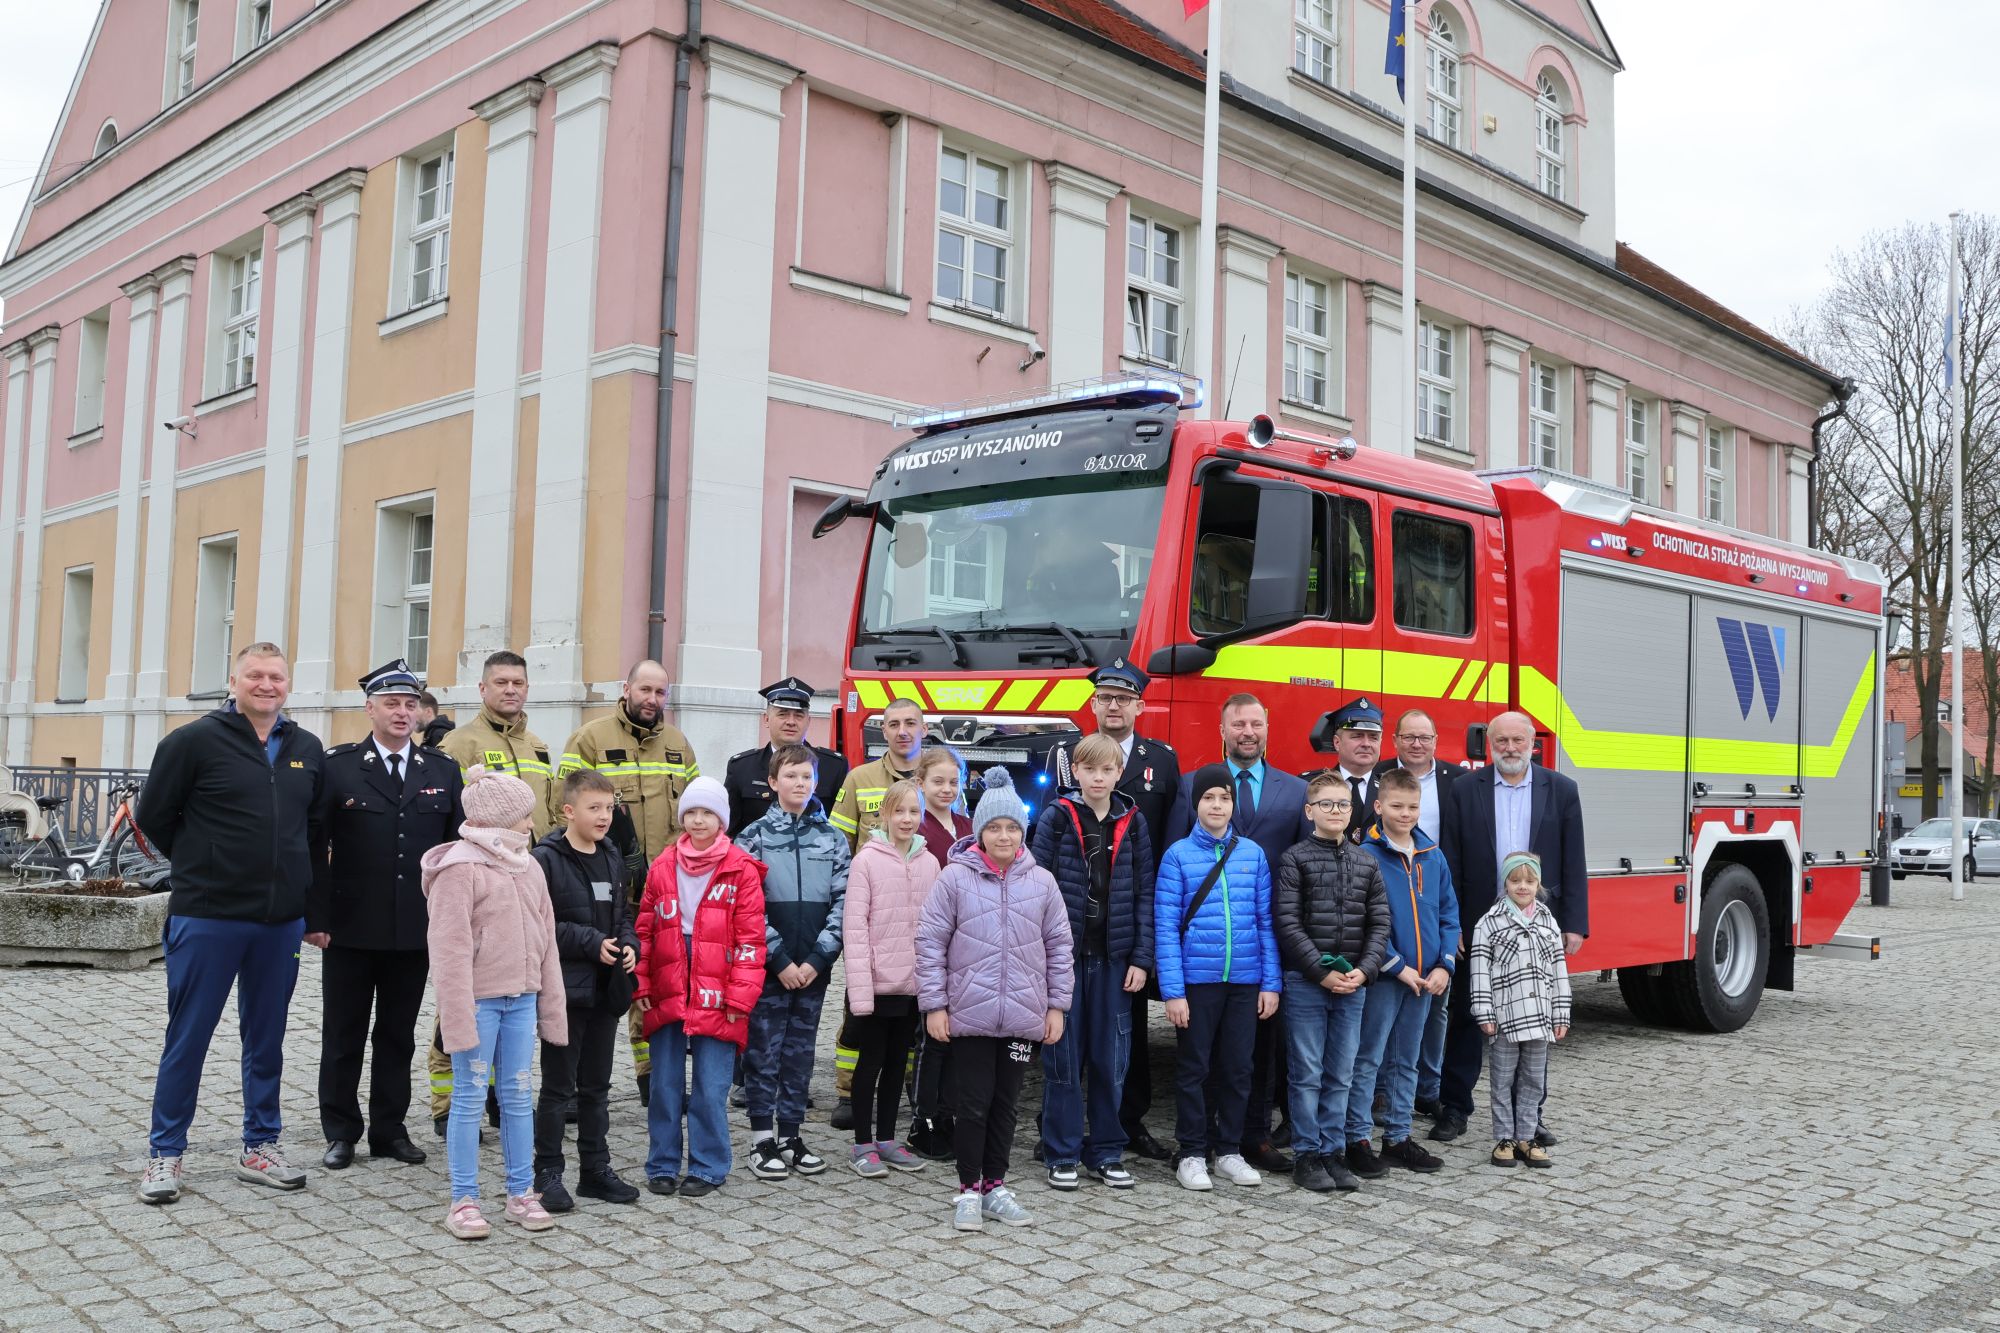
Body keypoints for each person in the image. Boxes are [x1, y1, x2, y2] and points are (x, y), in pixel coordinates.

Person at [135, 643, 327, 1205]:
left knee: (265, 1039)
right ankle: (164, 1153)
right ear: (234, 680)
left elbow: (313, 834)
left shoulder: (305, 748)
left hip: (279, 922)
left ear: (288, 684)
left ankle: (259, 1146)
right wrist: (206, 865)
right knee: (188, 1036)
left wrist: (304, 902)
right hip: (208, 915)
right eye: (256, 675)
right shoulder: (192, 742)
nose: (267, 685)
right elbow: (154, 818)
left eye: (276, 676)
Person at [308, 659, 465, 1172]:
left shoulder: (441, 771)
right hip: (351, 927)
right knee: (343, 1032)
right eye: (392, 703)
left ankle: (389, 1129)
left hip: (414, 929)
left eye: (410, 704)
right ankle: (340, 1131)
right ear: (369, 707)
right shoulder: (338, 767)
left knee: (397, 1033)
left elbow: (454, 853)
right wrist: (317, 916)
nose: (402, 712)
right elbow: (316, 847)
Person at [917, 768, 1073, 1232]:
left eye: (1011, 827)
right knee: (973, 1104)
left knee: (1006, 1104)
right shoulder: (954, 880)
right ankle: (967, 1188)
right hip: (970, 1015)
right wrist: (936, 1004)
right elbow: (930, 943)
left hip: (1023, 1016)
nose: (1003, 835)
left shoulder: (1041, 882)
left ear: (1022, 832)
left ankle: (995, 1186)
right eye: (994, 827)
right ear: (979, 832)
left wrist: (1056, 1006)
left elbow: (1059, 945)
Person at [422, 766, 568, 1239]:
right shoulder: (459, 870)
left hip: (521, 1000)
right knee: (467, 1098)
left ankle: (521, 1191)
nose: (532, 824)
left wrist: (551, 1008)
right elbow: (449, 950)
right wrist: (458, 1019)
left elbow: (546, 940)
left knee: (517, 1096)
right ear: (502, 820)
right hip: (480, 1003)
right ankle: (464, 1199)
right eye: (525, 816)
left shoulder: (529, 867)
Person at [1044, 658, 1179, 1162]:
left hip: (1123, 926)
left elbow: (1167, 835)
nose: (1114, 705)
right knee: (1064, 1037)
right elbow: (1047, 845)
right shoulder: (1062, 753)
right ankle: (1054, 1130)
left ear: (1139, 705)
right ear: (1094, 703)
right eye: (1105, 697)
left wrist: (1148, 941)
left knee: (1126, 1038)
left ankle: (1126, 1124)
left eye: (1124, 698)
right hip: (1073, 933)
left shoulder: (1161, 759)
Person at [1168, 693, 1307, 1176]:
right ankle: (1195, 1146)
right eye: (1238, 724)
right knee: (1199, 1061)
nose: (1247, 732)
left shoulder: (1293, 791)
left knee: (1252, 1058)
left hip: (1259, 948)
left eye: (1255, 724)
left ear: (1267, 727)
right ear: (1221, 729)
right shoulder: (1189, 787)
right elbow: (1171, 896)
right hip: (1201, 956)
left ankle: (1251, 1139)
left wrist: (1274, 971)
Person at [1435, 711, 1588, 1146]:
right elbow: (1452, 860)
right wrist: (1454, 926)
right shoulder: (1465, 789)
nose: (1510, 748)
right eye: (1500, 741)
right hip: (1479, 923)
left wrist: (1573, 924)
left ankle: (1530, 1117)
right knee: (1466, 1016)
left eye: (1518, 740)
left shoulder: (1561, 790)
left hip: (1538, 924)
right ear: (1489, 745)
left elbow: (1573, 860)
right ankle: (1455, 1108)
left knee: (1534, 1024)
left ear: (1532, 744)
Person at [559, 659, 700, 1105]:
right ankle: (581, 1086)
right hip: (601, 889)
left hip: (664, 890)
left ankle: (650, 1078)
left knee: (651, 983)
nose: (652, 700)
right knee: (593, 985)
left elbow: (694, 819)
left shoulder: (679, 744)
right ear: (626, 688)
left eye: (660, 693)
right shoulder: (590, 739)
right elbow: (564, 811)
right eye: (645, 690)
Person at [433, 650, 561, 1131]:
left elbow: (545, 815)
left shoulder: (539, 746)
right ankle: (448, 1102)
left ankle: (500, 1099)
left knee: (515, 998)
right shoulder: (458, 743)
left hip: (527, 878)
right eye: (501, 682)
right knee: (465, 994)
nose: (511, 690)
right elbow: (451, 819)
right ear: (482, 689)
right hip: (478, 883)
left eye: (519, 682)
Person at [634, 776, 768, 1198]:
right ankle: (662, 1163)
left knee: (711, 1087)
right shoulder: (662, 865)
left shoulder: (740, 868)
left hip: (719, 983)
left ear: (722, 819)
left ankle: (708, 1166)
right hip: (669, 977)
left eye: (707, 812)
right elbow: (645, 930)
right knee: (665, 1084)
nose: (697, 820)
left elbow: (751, 940)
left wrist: (741, 996)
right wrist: (641, 983)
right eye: (691, 812)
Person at [1031, 732, 1154, 1191]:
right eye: (1090, 770)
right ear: (1075, 773)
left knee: (1111, 1059)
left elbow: (1145, 893)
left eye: (1107, 770)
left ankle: (1105, 1150)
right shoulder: (1056, 818)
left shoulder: (1134, 822)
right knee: (1063, 1058)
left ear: (1118, 773)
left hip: (1115, 960)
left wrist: (1141, 957)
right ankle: (1062, 1151)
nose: (1098, 778)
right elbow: (1035, 890)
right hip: (1065, 959)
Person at [1154, 765, 1280, 1193]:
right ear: (1197, 804)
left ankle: (1228, 1150)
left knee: (1238, 1068)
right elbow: (1166, 927)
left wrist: (1270, 982)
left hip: (1245, 980)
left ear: (1232, 803)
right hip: (1198, 981)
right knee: (1194, 1069)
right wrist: (1173, 991)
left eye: (1224, 798)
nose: (1217, 805)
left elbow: (1265, 921)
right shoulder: (1177, 855)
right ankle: (1191, 1152)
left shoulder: (1253, 854)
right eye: (1209, 798)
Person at [1272, 772, 1390, 1193]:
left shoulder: (1366, 861)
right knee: (1306, 1072)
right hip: (1307, 982)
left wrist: (1366, 969)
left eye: (1342, 804)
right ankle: (1307, 1154)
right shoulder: (1295, 859)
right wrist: (1320, 972)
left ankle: (1333, 1152)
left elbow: (1380, 923)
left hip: (1354, 983)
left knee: (1341, 1073)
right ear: (1310, 811)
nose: (1335, 810)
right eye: (1326, 804)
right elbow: (1287, 922)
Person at [529, 769, 642, 1211]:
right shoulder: (546, 859)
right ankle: (548, 1173)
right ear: (568, 811)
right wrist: (591, 942)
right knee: (559, 1087)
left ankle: (595, 1170)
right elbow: (540, 925)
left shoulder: (612, 854)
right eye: (594, 808)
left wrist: (628, 945)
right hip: (564, 990)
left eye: (610, 808)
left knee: (597, 1086)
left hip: (604, 991)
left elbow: (622, 915)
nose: (605, 817)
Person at [735, 744, 849, 1179]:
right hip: (770, 968)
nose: (799, 784)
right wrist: (778, 958)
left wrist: (819, 957)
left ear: (816, 782)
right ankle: (762, 1137)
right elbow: (747, 908)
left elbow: (843, 901)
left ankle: (790, 1134)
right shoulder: (753, 838)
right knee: (764, 1052)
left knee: (800, 1054)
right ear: (772, 782)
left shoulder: (832, 838)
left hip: (813, 968)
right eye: (791, 776)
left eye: (806, 777)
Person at [1347, 769, 1457, 1178]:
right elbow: (1363, 921)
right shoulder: (1366, 856)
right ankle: (1356, 1138)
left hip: (1426, 979)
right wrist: (1396, 965)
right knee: (1368, 1057)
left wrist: (1444, 963)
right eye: (1396, 806)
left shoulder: (1433, 855)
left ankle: (1397, 1137)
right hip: (1386, 977)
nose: (1405, 814)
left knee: (1407, 1060)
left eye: (1413, 807)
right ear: (1378, 807)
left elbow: (1449, 914)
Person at [827, 696, 927, 1129]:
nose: (902, 731)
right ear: (882, 732)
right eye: (893, 724)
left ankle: (908, 1085)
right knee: (859, 1012)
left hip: (920, 908)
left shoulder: (939, 774)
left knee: (912, 1016)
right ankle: (849, 1092)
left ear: (923, 728)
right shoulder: (859, 778)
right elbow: (837, 845)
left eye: (910, 723)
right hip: (872, 917)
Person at [842, 779, 939, 1177]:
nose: (907, 819)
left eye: (914, 812)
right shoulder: (867, 860)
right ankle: (863, 1143)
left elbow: (936, 927)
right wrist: (861, 993)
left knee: (900, 1063)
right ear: (883, 815)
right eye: (898, 811)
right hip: (878, 984)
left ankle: (886, 1139)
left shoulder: (929, 862)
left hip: (912, 986)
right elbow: (855, 929)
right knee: (870, 1064)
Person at [1376, 708, 1465, 1120]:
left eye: (1424, 737)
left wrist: (1448, 948)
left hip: (1433, 923)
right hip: (1390, 940)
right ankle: (1382, 1100)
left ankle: (1426, 1091)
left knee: (1434, 1017)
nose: (1417, 744)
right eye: (1408, 736)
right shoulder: (1376, 776)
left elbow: (1458, 858)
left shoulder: (1457, 782)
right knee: (1380, 1030)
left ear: (1435, 741)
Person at [1470, 852, 1571, 1169]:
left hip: (1540, 1019)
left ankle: (1527, 1136)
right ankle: (1505, 1138)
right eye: (1516, 880)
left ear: (1538, 883)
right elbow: (1479, 971)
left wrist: (1561, 1013)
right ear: (1505, 882)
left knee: (1533, 1081)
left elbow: (1559, 970)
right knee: (1501, 1079)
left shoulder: (1548, 922)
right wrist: (1484, 1011)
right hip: (1505, 1018)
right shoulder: (1489, 923)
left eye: (1529, 881)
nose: (1522, 887)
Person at [906, 745, 971, 1158]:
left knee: (959, 1037)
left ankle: (950, 1113)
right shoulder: (916, 827)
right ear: (920, 784)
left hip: (968, 945)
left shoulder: (968, 825)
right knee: (931, 1036)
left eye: (953, 782)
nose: (946, 789)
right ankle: (923, 1119)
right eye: (938, 782)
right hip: (931, 941)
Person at [724, 677, 849, 836]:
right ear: (767, 719)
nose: (791, 722)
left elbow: (841, 832)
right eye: (783, 714)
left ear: (808, 721)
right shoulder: (741, 767)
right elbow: (730, 831)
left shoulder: (834, 766)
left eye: (799, 715)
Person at [1326, 697, 1386, 845]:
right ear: (1337, 742)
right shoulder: (1310, 786)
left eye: (1373, 737)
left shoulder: (1392, 789)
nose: (1366, 744)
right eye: (1357, 736)